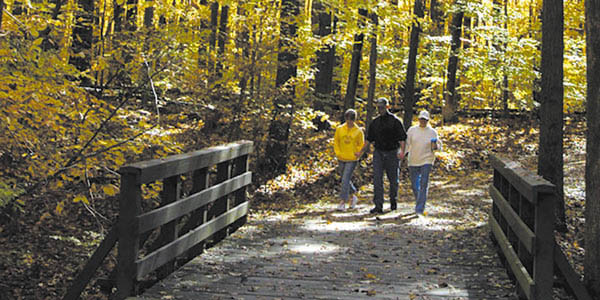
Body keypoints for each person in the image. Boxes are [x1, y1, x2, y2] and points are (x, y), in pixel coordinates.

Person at [357, 98, 406, 214]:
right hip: (378, 152)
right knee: (377, 179)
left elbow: (402, 138)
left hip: (392, 152)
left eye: (382, 107)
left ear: (387, 107)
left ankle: (393, 200)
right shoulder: (375, 122)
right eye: (378, 108)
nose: (380, 110)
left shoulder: (395, 121)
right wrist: (361, 152)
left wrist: (402, 151)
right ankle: (378, 205)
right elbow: (369, 139)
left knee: (393, 179)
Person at [405, 110, 442, 215]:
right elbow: (407, 144)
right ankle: (419, 201)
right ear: (418, 119)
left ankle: (419, 209)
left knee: (424, 183)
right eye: (421, 119)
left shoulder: (432, 132)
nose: (423, 121)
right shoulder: (412, 130)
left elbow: (438, 147)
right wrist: (402, 153)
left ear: (428, 120)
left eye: (425, 120)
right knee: (414, 185)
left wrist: (436, 146)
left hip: (427, 159)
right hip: (413, 160)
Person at [333, 109, 364, 211]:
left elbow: (361, 144)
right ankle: (353, 195)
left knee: (345, 178)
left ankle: (343, 202)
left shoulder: (358, 131)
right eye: (347, 120)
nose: (349, 122)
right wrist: (338, 153)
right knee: (344, 179)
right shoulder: (339, 129)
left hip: (352, 158)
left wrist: (358, 152)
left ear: (354, 120)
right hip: (341, 157)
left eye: (351, 120)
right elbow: (336, 142)